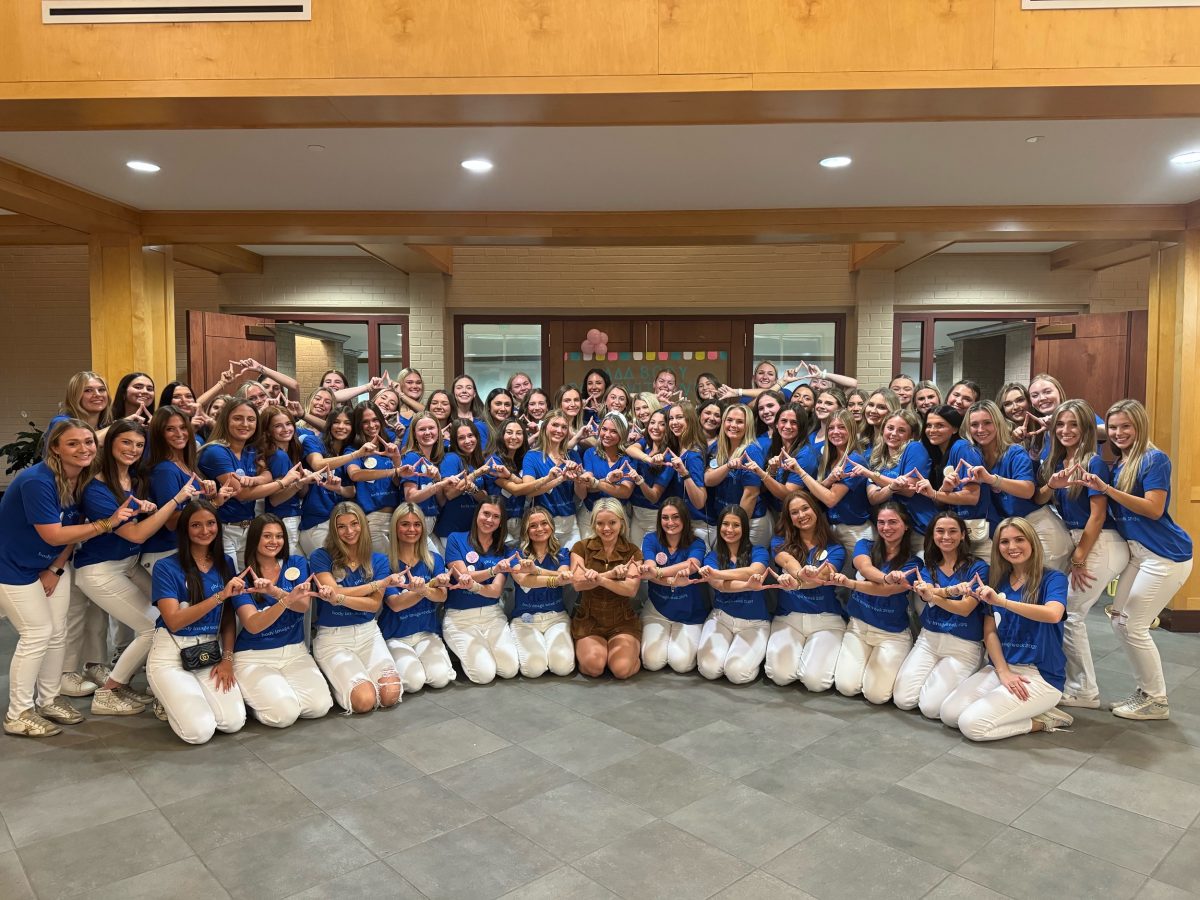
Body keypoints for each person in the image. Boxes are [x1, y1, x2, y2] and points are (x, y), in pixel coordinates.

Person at [74, 420, 201, 715]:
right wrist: (176, 500)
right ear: (109, 445)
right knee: (151, 627)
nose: (133, 450)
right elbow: (136, 534)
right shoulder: (96, 489)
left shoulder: (136, 480)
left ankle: (132, 683)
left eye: (139, 444)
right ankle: (108, 692)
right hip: (100, 570)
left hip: (129, 564)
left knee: (169, 617)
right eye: (126, 443)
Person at [1079, 400, 1194, 720]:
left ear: (1140, 425)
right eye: (1113, 428)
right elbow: (1092, 428)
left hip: (1165, 555)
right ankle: (1145, 692)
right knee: (1119, 620)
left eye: (1125, 426)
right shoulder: (1121, 461)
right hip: (1140, 554)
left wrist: (1107, 490)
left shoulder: (1154, 459)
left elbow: (1154, 509)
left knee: (1134, 625)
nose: (1118, 433)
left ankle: (1156, 699)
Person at [0, 419, 109, 737]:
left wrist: (56, 569)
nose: (84, 448)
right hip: (11, 567)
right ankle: (18, 713)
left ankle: (48, 700)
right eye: (73, 443)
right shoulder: (37, 480)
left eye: (88, 442)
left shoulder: (82, 479)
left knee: (57, 633)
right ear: (55, 448)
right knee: (37, 634)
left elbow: (69, 536)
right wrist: (107, 523)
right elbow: (53, 533)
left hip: (49, 565)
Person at [940, 517, 1073, 740]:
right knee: (949, 714)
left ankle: (1042, 720)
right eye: (1004, 542)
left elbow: (1053, 614)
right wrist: (1003, 671)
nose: (1012, 547)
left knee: (972, 726)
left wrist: (1002, 602)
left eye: (1019, 539)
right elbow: (989, 632)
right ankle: (1021, 708)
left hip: (1040, 675)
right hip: (1002, 667)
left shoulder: (1053, 578)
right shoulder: (998, 581)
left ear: (1032, 542)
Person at [1034, 399, 1129, 709]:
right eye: (1060, 424)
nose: (1066, 430)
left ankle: (1085, 691)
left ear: (1087, 428)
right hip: (1082, 541)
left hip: (1099, 542)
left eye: (1073, 424)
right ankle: (1075, 682)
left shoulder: (1093, 462)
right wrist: (1051, 483)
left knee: (1070, 613)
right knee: (1066, 612)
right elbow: (1040, 497)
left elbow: (1098, 515)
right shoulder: (1057, 460)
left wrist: (1079, 557)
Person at [147, 499, 247, 744]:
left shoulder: (226, 564)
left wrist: (227, 659)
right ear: (185, 530)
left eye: (211, 523)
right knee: (199, 732)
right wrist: (220, 596)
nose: (205, 531)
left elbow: (227, 618)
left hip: (208, 652)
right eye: (196, 525)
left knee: (233, 722)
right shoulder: (166, 567)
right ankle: (166, 698)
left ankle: (184, 698)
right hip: (171, 653)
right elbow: (174, 621)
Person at [233, 515, 333, 727]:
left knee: (320, 707)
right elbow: (253, 624)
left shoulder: (296, 563)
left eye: (279, 536)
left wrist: (274, 592)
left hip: (294, 651)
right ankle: (251, 700)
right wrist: (286, 598)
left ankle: (274, 693)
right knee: (283, 715)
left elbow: (303, 606)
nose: (274, 541)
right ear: (254, 539)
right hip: (254, 656)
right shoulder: (242, 578)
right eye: (267, 536)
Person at [309, 502, 402, 714]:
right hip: (334, 639)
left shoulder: (378, 560)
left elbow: (372, 605)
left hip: (368, 633)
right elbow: (330, 592)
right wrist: (378, 584)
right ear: (334, 530)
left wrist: (339, 596)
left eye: (354, 524)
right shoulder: (320, 556)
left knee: (390, 694)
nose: (349, 531)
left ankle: (356, 678)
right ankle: (338, 683)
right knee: (364, 701)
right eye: (341, 526)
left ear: (363, 525)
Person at [893, 513, 988, 719]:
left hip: (963, 645)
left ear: (963, 535)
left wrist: (935, 595)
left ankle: (971, 673)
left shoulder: (978, 567)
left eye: (953, 531)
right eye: (940, 531)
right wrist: (948, 593)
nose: (946, 536)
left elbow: (965, 609)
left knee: (930, 709)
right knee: (903, 700)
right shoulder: (927, 567)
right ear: (932, 535)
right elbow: (925, 594)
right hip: (929, 639)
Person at [965, 400, 1073, 572]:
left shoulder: (1014, 452)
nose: (980, 429)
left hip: (1039, 526)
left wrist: (992, 479)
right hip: (1012, 531)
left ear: (998, 423)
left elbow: (1028, 489)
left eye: (987, 423)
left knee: (1044, 587)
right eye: (974, 424)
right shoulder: (973, 457)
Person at [832, 503, 919, 704]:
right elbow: (865, 567)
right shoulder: (865, 545)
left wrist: (852, 584)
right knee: (846, 687)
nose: (886, 527)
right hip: (858, 628)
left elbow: (886, 591)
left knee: (877, 696)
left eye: (893, 522)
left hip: (891, 635)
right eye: (881, 522)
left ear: (905, 526)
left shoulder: (914, 563)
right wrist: (886, 577)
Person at [765, 493, 846, 691]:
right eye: (794, 512)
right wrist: (801, 573)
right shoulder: (778, 542)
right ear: (788, 518)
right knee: (780, 676)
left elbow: (822, 578)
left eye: (805, 508)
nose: (801, 515)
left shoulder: (836, 548)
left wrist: (799, 583)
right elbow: (786, 561)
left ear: (815, 510)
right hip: (788, 618)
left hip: (826, 619)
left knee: (816, 683)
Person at [443, 497, 520, 684]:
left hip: (492, 615)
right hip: (460, 617)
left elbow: (495, 592)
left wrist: (474, 583)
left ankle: (486, 649)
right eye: (486, 513)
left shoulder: (506, 549)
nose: (489, 520)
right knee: (484, 675)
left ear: (501, 521)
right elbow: (463, 577)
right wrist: (493, 571)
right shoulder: (456, 539)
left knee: (510, 670)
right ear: (477, 514)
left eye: (496, 516)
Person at [382, 503, 455, 693]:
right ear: (395, 527)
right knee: (414, 683)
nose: (411, 529)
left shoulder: (434, 559)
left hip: (426, 632)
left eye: (417, 524)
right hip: (396, 635)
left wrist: (422, 590)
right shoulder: (384, 562)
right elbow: (395, 604)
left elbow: (441, 596)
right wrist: (424, 590)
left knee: (440, 679)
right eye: (405, 524)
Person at [570, 498, 644, 679]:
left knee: (621, 671)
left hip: (622, 621)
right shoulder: (580, 548)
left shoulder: (633, 551)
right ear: (593, 524)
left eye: (612, 522)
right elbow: (578, 584)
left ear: (622, 522)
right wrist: (611, 575)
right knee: (594, 668)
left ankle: (627, 656)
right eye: (600, 523)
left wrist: (599, 579)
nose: (606, 529)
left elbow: (630, 589)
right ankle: (598, 653)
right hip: (589, 620)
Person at [695, 504, 769, 684]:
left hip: (754, 622)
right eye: (725, 524)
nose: (730, 529)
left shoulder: (758, 551)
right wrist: (747, 585)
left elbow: (754, 570)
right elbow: (720, 586)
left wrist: (717, 573)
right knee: (709, 669)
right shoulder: (712, 556)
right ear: (719, 527)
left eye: (736, 525)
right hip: (721, 618)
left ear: (744, 528)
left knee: (737, 674)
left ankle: (754, 657)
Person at [197, 398, 272, 567]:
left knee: (249, 581)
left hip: (248, 527)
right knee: (230, 584)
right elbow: (242, 494)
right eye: (238, 418)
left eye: (251, 419)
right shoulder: (216, 451)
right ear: (226, 420)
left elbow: (267, 473)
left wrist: (256, 479)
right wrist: (284, 483)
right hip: (222, 528)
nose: (245, 424)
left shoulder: (249, 449)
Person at [793, 410, 872, 567]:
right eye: (831, 428)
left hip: (854, 531)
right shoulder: (829, 459)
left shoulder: (854, 459)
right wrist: (828, 480)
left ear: (851, 430)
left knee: (851, 583)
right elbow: (816, 495)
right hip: (831, 528)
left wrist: (800, 472)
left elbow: (830, 499)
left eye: (842, 427)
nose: (835, 432)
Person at [638, 498, 708, 673]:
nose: (670, 523)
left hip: (689, 613)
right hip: (657, 610)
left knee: (681, 665)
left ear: (684, 518)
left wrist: (660, 573)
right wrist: (671, 581)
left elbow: (692, 565)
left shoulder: (697, 542)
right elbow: (649, 569)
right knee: (651, 662)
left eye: (676, 517)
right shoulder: (651, 539)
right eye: (665, 517)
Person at [509, 507, 576, 677]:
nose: (539, 529)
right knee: (534, 669)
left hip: (556, 617)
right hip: (525, 618)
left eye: (544, 523)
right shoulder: (515, 553)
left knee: (563, 668)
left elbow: (565, 577)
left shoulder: (562, 553)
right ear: (526, 530)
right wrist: (556, 578)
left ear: (552, 526)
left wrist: (536, 570)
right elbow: (523, 580)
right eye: (533, 525)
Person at [917, 405, 990, 557]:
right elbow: (941, 501)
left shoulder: (962, 448)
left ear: (955, 429)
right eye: (929, 425)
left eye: (940, 425)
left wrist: (936, 494)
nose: (932, 430)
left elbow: (971, 497)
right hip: (956, 532)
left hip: (976, 530)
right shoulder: (937, 454)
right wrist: (940, 492)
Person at [346, 401, 406, 555]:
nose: (371, 425)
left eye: (375, 420)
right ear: (358, 425)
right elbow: (355, 474)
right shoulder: (353, 449)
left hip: (398, 517)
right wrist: (392, 471)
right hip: (374, 519)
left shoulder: (390, 445)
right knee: (388, 567)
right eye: (365, 422)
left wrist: (396, 459)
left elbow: (399, 481)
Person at [704, 404, 769, 547]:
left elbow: (750, 495)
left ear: (748, 426)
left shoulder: (751, 451)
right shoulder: (719, 447)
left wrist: (737, 527)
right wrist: (727, 467)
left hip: (749, 523)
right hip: (726, 522)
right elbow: (708, 480)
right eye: (729, 420)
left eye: (740, 422)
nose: (733, 425)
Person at [521, 410, 582, 549]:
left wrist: (578, 478)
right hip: (543, 524)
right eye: (555, 425)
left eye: (564, 427)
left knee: (573, 566)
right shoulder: (532, 456)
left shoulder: (573, 455)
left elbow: (582, 494)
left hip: (570, 523)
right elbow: (529, 491)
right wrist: (560, 479)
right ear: (545, 427)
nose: (559, 430)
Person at [575, 413, 634, 540]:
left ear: (622, 434)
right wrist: (608, 482)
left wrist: (596, 483)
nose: (607, 435)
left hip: (618, 518)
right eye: (604, 429)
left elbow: (625, 492)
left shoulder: (628, 457)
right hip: (590, 515)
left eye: (614, 431)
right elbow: (585, 489)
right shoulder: (590, 453)